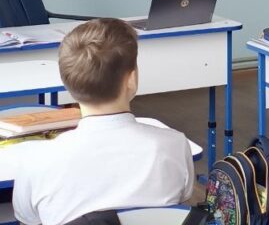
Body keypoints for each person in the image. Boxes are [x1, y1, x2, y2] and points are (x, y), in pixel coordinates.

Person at [13, 18, 194, 225]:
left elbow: (28, 221)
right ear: (131, 79)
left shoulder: (36, 162)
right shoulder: (174, 145)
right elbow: (177, 210)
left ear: (66, 82)